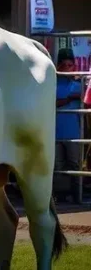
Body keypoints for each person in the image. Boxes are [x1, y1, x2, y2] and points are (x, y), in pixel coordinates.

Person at [54, 48, 83, 202]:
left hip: (74, 133)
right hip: (56, 133)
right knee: (57, 166)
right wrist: (69, 99)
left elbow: (86, 102)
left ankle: (77, 196)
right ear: (58, 66)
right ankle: (59, 196)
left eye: (70, 65)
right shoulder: (52, 82)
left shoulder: (79, 84)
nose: (67, 68)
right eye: (63, 65)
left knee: (75, 165)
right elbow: (50, 103)